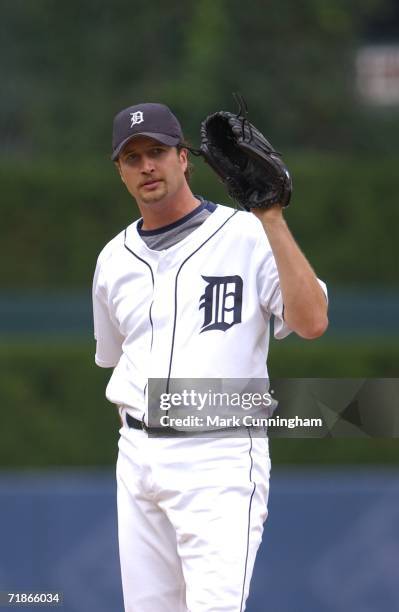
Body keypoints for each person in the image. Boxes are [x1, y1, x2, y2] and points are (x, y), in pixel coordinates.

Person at [92, 102, 328, 612]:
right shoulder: (113, 260)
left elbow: (311, 322)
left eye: (156, 152)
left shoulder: (247, 235)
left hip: (218, 455)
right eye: (132, 158)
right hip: (136, 455)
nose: (146, 166)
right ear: (120, 172)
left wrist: (271, 219)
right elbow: (113, 357)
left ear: (184, 159)